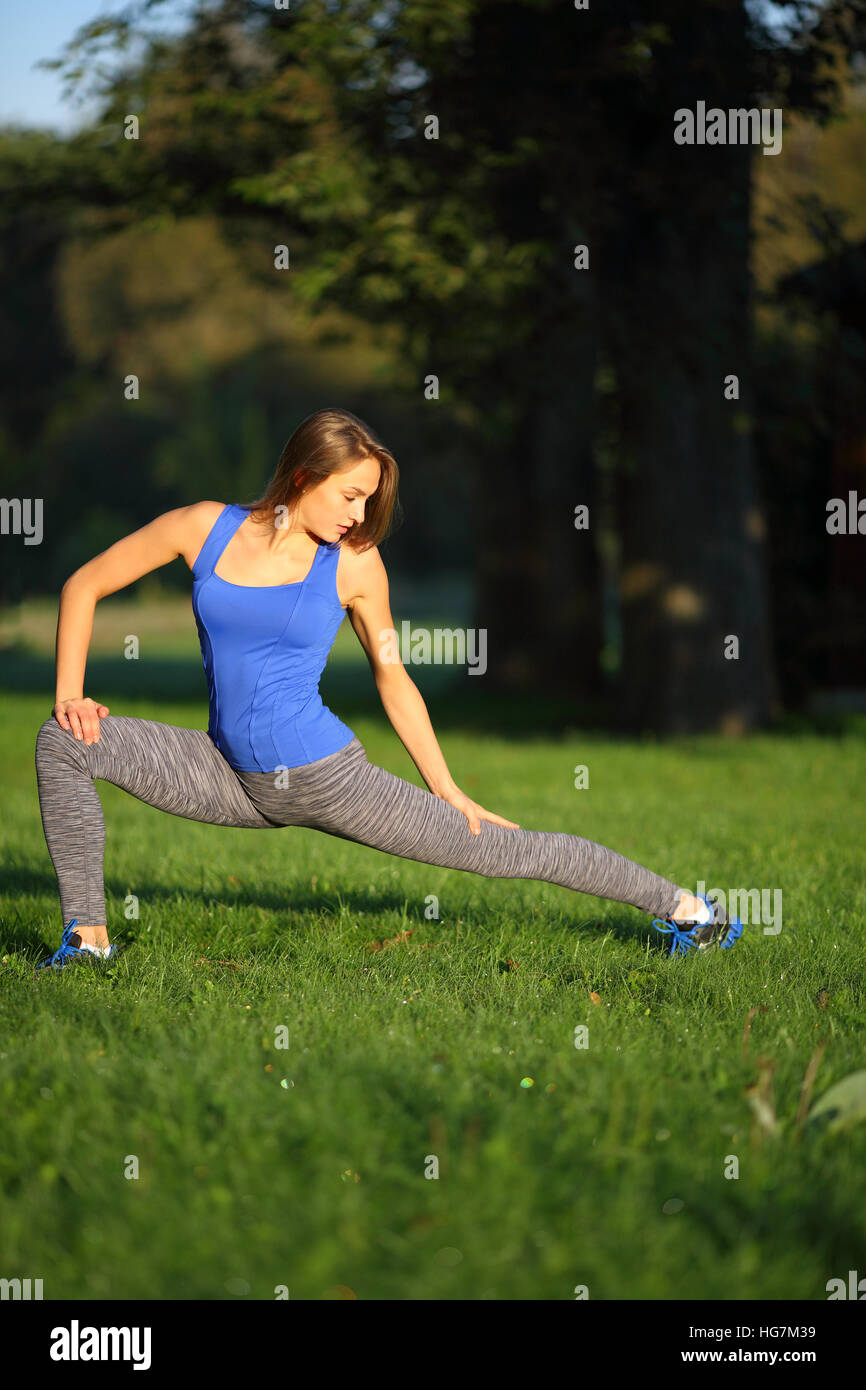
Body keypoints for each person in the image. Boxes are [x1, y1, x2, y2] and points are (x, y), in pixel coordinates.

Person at [33, 407, 742, 970]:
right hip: (225, 773)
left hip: (325, 777)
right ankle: (89, 943)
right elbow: (84, 584)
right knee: (61, 742)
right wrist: (73, 693)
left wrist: (447, 787)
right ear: (305, 473)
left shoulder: (354, 564)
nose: (356, 513)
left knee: (505, 850)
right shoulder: (204, 529)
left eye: (367, 499)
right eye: (349, 494)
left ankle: (689, 911)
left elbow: (391, 674)